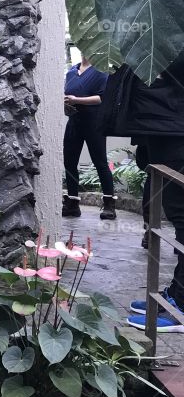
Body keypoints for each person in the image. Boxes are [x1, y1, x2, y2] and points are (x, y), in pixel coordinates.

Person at [114, 56, 184, 333]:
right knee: (177, 211)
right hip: (163, 126)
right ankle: (177, 292)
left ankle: (180, 305)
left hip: (175, 128)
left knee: (182, 214)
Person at [62, 55, 115, 220]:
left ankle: (109, 204)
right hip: (74, 121)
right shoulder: (71, 72)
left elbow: (101, 98)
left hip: (94, 123)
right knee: (69, 162)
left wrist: (76, 100)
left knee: (100, 162)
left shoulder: (101, 71)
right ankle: (72, 203)